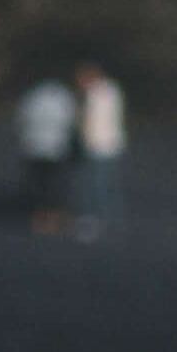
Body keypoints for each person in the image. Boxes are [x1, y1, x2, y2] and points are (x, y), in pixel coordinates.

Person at [66, 63, 125, 242]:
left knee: (96, 184)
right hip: (106, 144)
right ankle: (108, 219)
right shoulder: (110, 91)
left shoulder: (98, 94)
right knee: (103, 184)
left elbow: (89, 120)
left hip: (99, 145)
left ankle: (95, 220)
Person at [16, 74, 77, 236]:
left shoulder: (31, 97)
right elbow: (70, 119)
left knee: (39, 185)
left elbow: (22, 119)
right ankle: (53, 219)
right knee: (55, 186)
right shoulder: (62, 98)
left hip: (33, 148)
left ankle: (39, 220)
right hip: (56, 149)